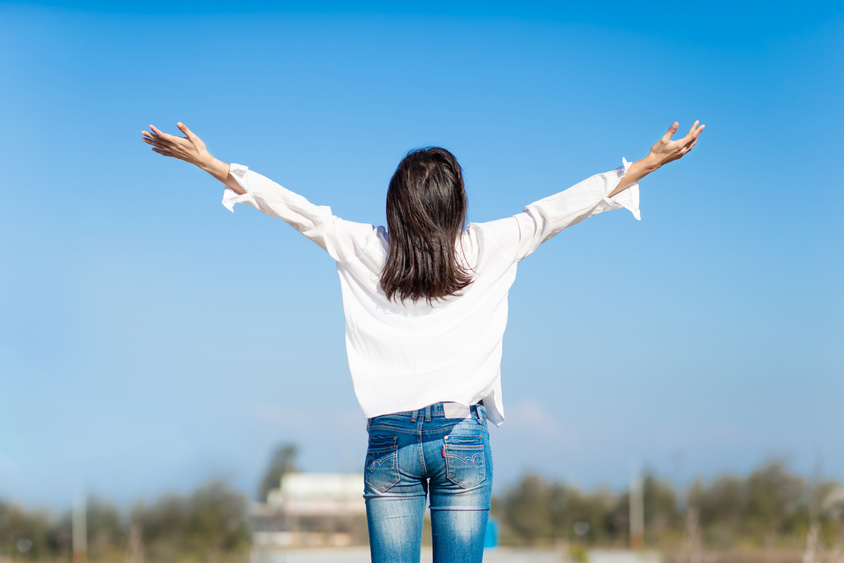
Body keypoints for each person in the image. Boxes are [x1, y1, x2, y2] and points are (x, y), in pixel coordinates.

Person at [141, 120, 704, 562]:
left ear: (397, 203)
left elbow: (295, 209)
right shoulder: (491, 245)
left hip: (389, 442)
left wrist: (212, 164)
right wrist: (648, 165)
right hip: (461, 436)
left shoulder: (364, 247)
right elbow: (560, 208)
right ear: (456, 202)